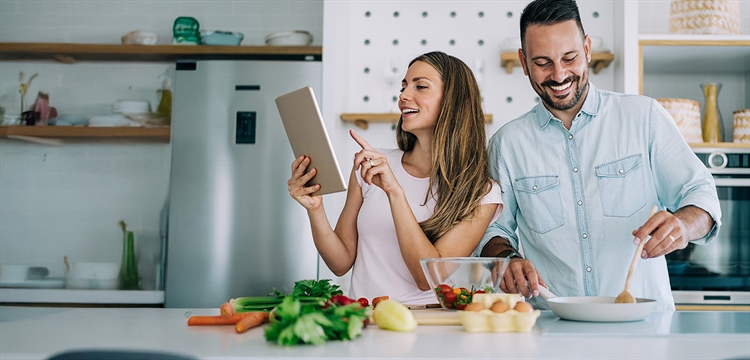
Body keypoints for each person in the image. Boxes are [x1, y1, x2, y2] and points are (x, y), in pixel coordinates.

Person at [476, 0, 720, 311]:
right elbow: (493, 230)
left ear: (587, 49)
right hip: (553, 330)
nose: (559, 74)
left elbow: (701, 195)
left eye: (569, 57)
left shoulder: (643, 117)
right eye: (542, 62)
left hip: (643, 326)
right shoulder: (506, 144)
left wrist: (684, 226)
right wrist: (505, 259)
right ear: (524, 63)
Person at [288, 51, 503, 304]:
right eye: (403, 86)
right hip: (365, 321)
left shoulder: (482, 192)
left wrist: (395, 192)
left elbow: (427, 278)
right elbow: (340, 262)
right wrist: (315, 208)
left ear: (453, 101)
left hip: (426, 327)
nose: (403, 96)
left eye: (420, 86)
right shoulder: (372, 165)